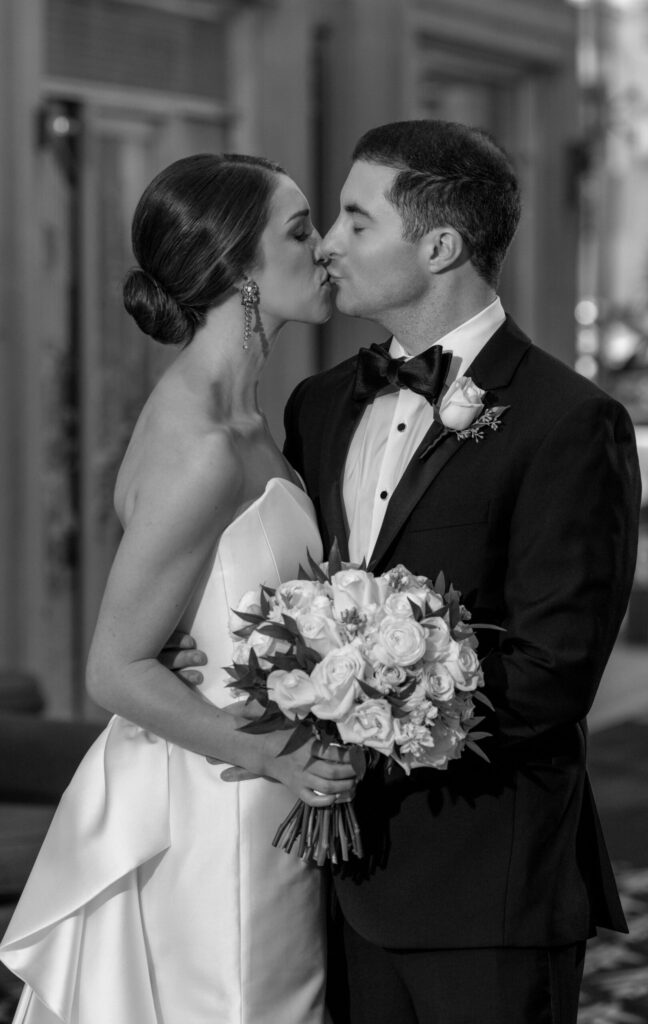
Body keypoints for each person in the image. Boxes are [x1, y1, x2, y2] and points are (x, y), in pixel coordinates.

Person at [170, 121, 641, 1023]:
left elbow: (552, 674)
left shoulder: (569, 422)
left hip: (486, 885)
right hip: (328, 878)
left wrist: (365, 719)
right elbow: (296, 594)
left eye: (354, 218)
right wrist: (243, 665)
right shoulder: (314, 404)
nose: (328, 245)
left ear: (438, 245)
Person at [0, 152, 357, 1024]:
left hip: (244, 779)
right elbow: (115, 669)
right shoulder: (203, 440)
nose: (325, 250)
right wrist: (274, 752)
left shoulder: (242, 418)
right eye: (301, 230)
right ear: (239, 267)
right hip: (221, 805)